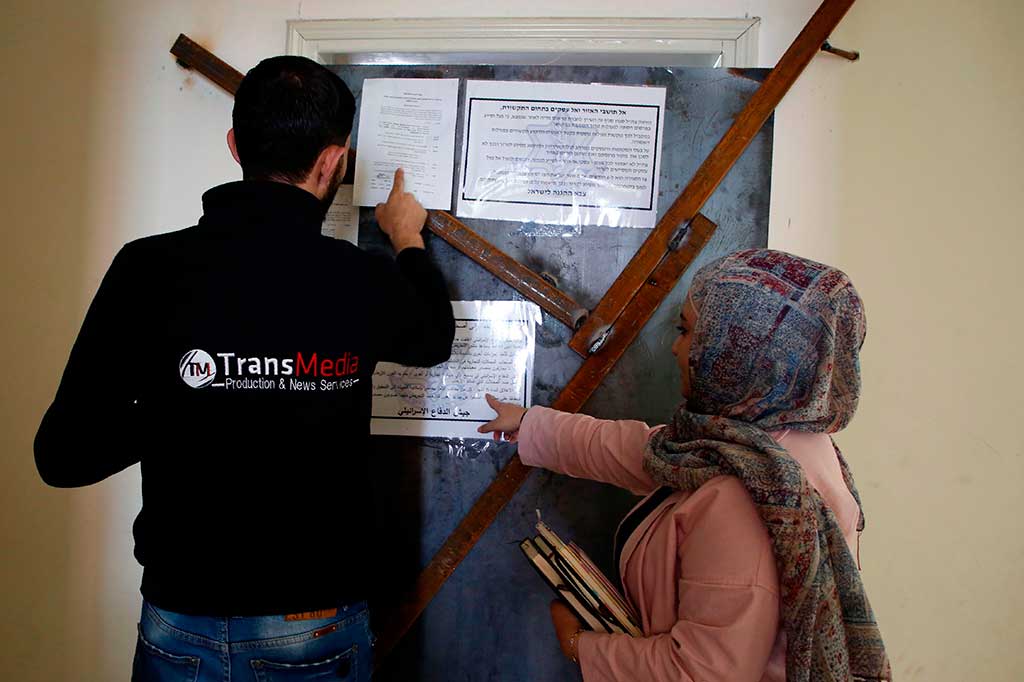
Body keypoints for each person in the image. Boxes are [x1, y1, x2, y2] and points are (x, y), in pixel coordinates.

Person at [34, 56, 455, 682]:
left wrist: (189, 399)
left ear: (234, 146)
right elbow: (433, 335)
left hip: (181, 623)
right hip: (313, 626)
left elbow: (64, 454)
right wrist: (407, 239)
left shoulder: (148, 269)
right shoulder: (356, 278)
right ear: (333, 162)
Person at [480, 249, 891, 681]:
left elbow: (700, 674)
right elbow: (642, 451)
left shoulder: (749, 496)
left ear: (738, 352)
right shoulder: (769, 438)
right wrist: (529, 425)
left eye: (687, 332)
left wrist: (579, 645)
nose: (676, 348)